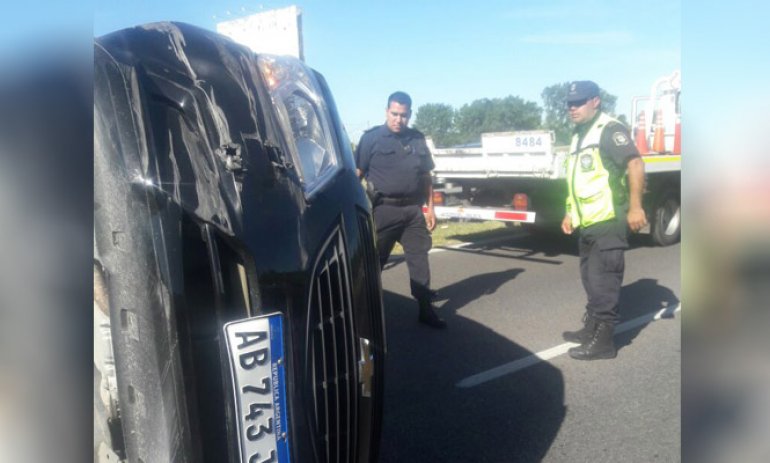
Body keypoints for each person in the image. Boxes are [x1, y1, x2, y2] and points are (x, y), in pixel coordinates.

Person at [560, 81, 647, 360]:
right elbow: (578, 181)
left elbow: (635, 163)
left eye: (579, 102)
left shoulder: (609, 130)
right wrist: (569, 212)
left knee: (604, 280)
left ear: (595, 101)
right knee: (589, 277)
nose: (572, 107)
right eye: (569, 103)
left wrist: (635, 207)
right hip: (587, 220)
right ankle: (591, 329)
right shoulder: (579, 134)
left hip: (608, 218)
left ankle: (604, 342)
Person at [355, 91, 446, 329]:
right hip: (383, 211)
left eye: (403, 115)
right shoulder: (371, 138)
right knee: (373, 264)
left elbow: (426, 176)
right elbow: (357, 174)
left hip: (413, 211)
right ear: (387, 111)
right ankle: (362, 315)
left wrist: (430, 209)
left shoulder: (417, 139)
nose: (399, 119)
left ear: (410, 115)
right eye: (394, 114)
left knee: (419, 260)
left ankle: (425, 310)